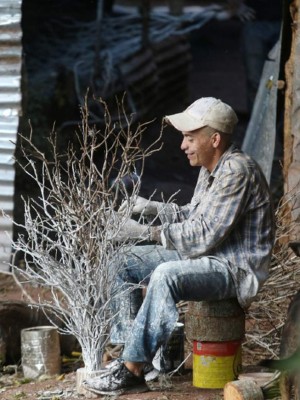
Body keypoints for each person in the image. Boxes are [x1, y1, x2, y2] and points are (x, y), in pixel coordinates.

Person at [83, 97, 275, 396]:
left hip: (234, 268)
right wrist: (149, 207)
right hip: (209, 256)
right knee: (122, 262)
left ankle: (132, 370)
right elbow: (194, 214)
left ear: (214, 139)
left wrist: (146, 230)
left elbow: (204, 234)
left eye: (189, 138)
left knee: (166, 274)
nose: (183, 146)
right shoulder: (213, 168)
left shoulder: (237, 172)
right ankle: (129, 353)